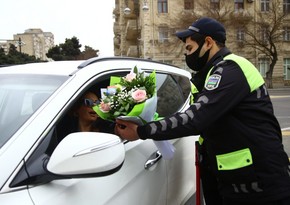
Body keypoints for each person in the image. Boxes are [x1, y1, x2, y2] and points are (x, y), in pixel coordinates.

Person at [115, 17, 290, 205]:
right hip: (234, 180)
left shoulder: (231, 69)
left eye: (189, 48)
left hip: (261, 184)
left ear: (208, 43)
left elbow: (196, 118)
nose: (186, 55)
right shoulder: (209, 75)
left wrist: (142, 131)